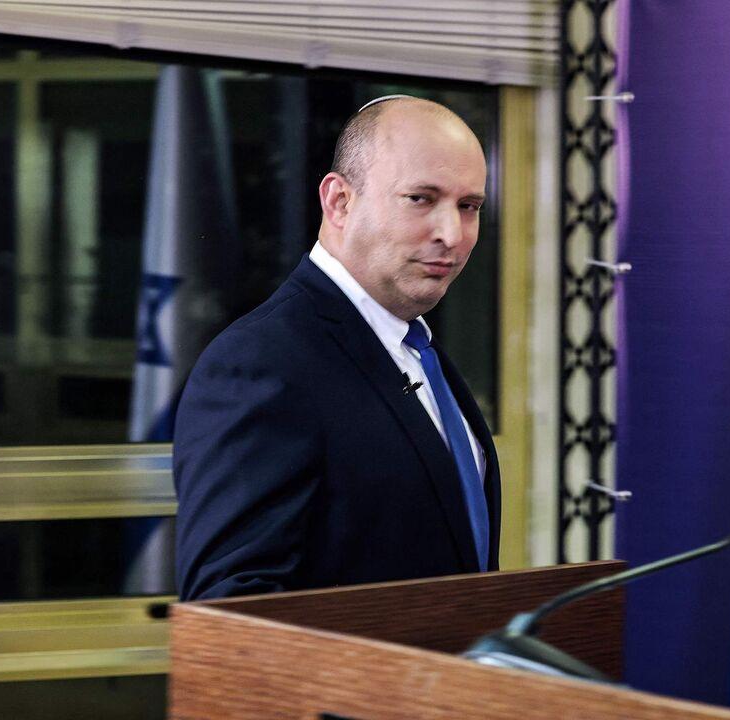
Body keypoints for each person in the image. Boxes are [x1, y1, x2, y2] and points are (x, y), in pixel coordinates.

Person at [173, 96, 500, 600]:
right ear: (339, 202)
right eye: (420, 198)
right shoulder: (260, 362)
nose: (451, 234)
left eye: (468, 206)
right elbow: (230, 605)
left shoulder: (416, 349)